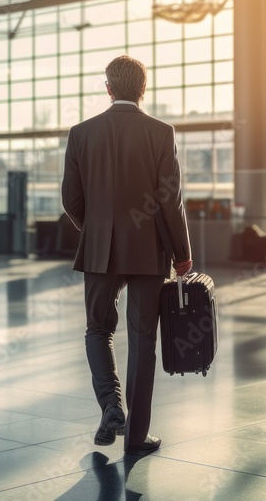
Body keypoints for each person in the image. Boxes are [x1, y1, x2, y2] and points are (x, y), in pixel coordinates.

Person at [61, 55, 191, 456]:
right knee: (141, 339)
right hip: (148, 251)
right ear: (143, 89)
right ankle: (136, 438)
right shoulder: (160, 132)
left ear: (109, 88)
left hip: (99, 250)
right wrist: (182, 254)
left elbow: (71, 200)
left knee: (98, 329)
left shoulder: (81, 133)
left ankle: (110, 406)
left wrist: (98, 231)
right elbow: (171, 201)